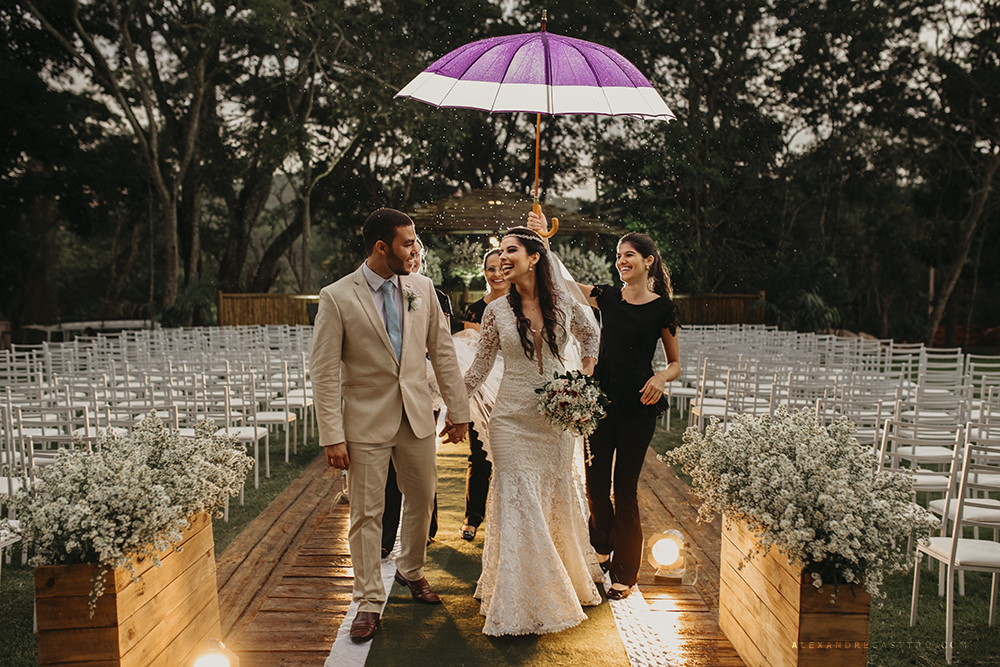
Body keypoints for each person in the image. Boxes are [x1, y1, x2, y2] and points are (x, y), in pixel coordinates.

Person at [311, 209, 471, 643]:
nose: (415, 250)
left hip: (417, 415)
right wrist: (332, 435)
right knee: (367, 513)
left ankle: (411, 570)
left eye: (415, 241)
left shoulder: (423, 289)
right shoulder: (337, 296)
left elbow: (442, 354)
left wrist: (460, 412)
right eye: (407, 243)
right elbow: (324, 372)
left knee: (424, 497)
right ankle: (366, 600)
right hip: (363, 423)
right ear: (382, 247)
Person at [529, 212, 681, 601]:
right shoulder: (606, 297)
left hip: (638, 406)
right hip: (599, 403)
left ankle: (625, 574)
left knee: (625, 489)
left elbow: (676, 362)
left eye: (629, 255)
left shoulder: (664, 309)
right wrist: (542, 244)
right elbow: (561, 283)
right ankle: (600, 548)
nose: (621, 261)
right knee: (596, 485)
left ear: (649, 261)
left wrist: (661, 378)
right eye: (618, 255)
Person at [463, 226, 603, 636]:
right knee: (517, 495)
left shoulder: (563, 301)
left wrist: (582, 381)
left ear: (534, 257)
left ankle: (560, 577)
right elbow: (479, 368)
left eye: (511, 251)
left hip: (557, 417)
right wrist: (449, 407)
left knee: (553, 494)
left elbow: (591, 335)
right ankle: (516, 590)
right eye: (499, 252)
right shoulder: (495, 312)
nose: (502, 259)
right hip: (510, 418)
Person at [381, 237, 447, 558]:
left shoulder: (434, 294)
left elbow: (441, 342)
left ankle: (426, 530)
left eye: (418, 253)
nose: (414, 258)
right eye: (410, 252)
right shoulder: (378, 293)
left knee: (423, 463)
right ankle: (385, 534)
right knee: (390, 472)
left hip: (424, 387)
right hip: (389, 390)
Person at [458, 248, 509, 541]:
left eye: (502, 267)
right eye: (490, 269)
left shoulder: (524, 304)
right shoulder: (476, 310)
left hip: (517, 388)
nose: (497, 273)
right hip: (485, 390)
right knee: (480, 455)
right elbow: (472, 354)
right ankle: (473, 517)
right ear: (484, 273)